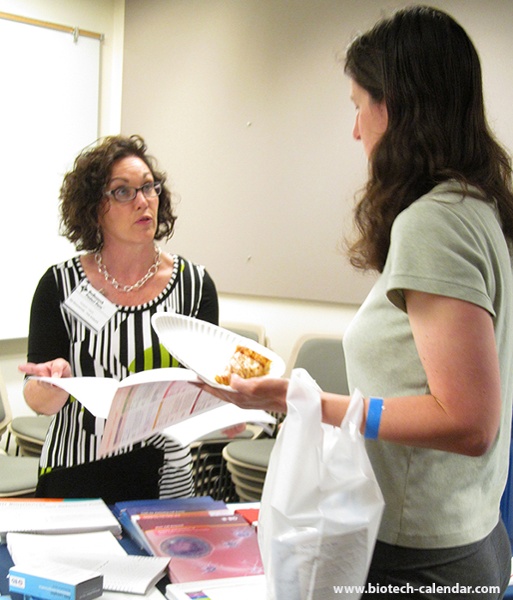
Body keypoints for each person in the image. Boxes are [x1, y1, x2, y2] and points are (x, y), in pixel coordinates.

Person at [204, 6, 513, 598]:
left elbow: (468, 421)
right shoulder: (479, 208)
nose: (355, 130)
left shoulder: (435, 223)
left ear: (394, 106)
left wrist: (319, 404)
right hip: (467, 534)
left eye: (357, 106)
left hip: (422, 555)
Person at [19, 134, 219, 502]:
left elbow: (207, 389)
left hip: (166, 476)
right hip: (77, 467)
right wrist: (49, 386)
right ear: (95, 208)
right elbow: (37, 400)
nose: (143, 201)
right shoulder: (59, 285)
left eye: (148, 187)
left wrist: (227, 403)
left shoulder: (195, 286)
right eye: (123, 192)